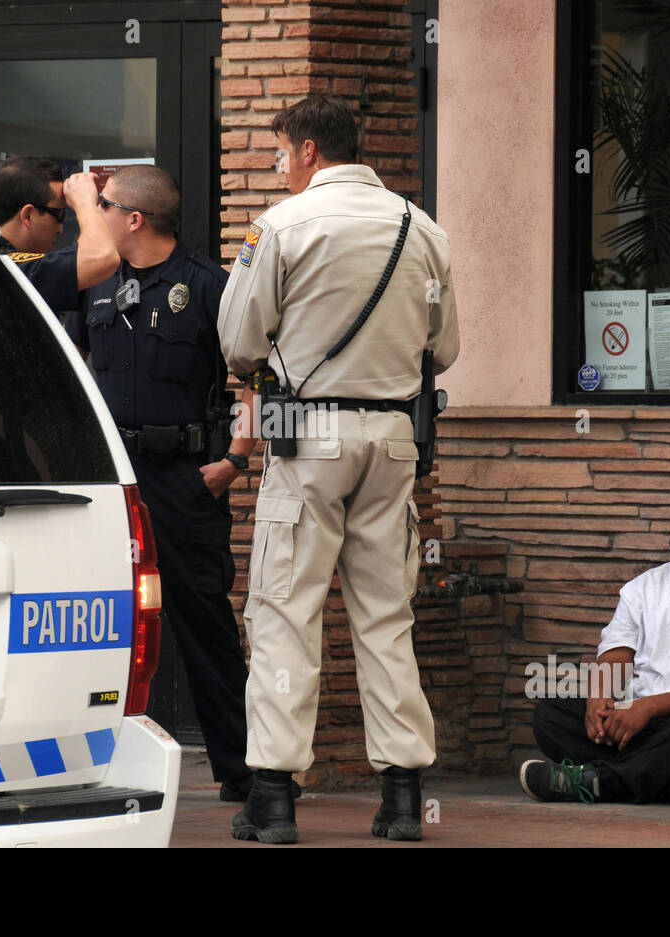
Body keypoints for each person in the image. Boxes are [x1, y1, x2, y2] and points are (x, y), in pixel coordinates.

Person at [217, 95, 460, 844]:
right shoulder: (422, 228)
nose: (276, 165)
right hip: (394, 440)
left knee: (286, 612)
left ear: (310, 150)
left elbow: (237, 338)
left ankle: (275, 797)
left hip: (307, 438)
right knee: (388, 617)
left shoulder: (281, 227)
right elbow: (442, 350)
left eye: (280, 152)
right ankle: (401, 797)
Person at [60, 164, 259, 800]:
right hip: (113, 479)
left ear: (134, 218)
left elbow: (256, 375)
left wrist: (236, 457)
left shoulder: (208, 287)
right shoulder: (94, 280)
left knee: (203, 620)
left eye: (104, 207)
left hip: (184, 478)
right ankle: (80, 763)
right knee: (93, 620)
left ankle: (240, 770)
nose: (95, 219)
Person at [521, 475, 670, 805]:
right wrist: (599, 697)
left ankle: (601, 782)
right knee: (552, 713)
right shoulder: (648, 586)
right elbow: (616, 654)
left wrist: (648, 707)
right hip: (633, 724)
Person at [0, 155, 120, 300]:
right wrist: (85, 202)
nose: (60, 229)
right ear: (28, 216)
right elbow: (103, 257)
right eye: (59, 215)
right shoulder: (14, 269)